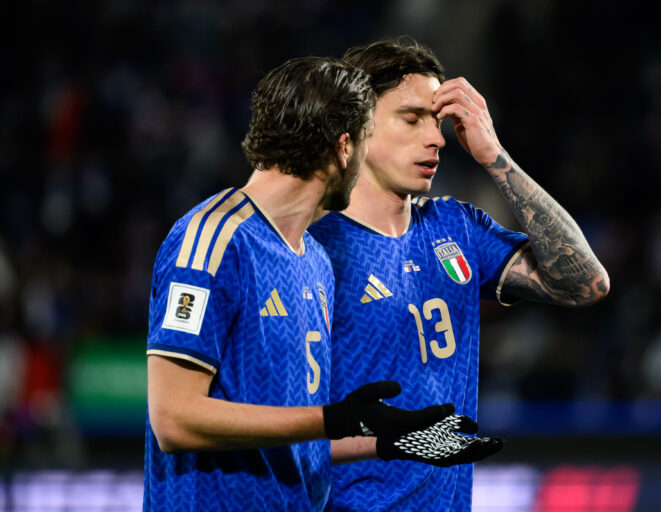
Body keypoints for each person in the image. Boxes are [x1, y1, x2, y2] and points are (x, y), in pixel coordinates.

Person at [143, 56, 473, 512]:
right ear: (343, 147)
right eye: (362, 142)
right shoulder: (214, 240)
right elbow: (172, 419)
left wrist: (387, 442)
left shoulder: (315, 258)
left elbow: (295, 433)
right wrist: (336, 417)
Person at [308, 38, 611, 510]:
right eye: (412, 119)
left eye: (438, 121)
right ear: (355, 127)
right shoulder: (312, 249)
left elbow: (586, 282)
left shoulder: (457, 227)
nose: (437, 138)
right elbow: (280, 430)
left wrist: (494, 155)